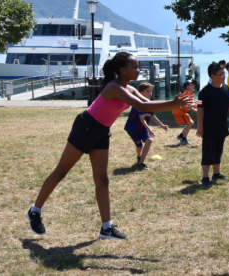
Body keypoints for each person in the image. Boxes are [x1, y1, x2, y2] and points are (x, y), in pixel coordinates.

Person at [25, 52, 193, 239]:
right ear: (122, 70)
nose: (138, 71)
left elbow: (149, 103)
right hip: (86, 127)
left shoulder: (129, 88)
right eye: (134, 67)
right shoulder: (114, 88)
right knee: (61, 171)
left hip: (102, 131)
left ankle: (106, 228)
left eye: (138, 67)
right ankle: (35, 210)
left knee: (102, 180)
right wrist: (175, 103)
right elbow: (142, 108)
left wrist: (182, 105)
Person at [197, 61, 229, 187]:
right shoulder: (205, 91)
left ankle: (216, 173)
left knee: (218, 150)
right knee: (208, 151)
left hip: (222, 125)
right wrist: (200, 127)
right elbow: (200, 109)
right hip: (209, 126)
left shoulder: (225, 88)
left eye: (224, 74)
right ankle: (205, 177)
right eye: (221, 74)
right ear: (212, 76)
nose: (224, 76)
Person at [125, 82, 169, 170]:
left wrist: (162, 125)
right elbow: (142, 119)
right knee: (139, 146)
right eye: (147, 91)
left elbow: (152, 115)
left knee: (149, 140)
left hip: (142, 128)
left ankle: (141, 163)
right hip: (132, 129)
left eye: (151, 91)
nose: (150, 93)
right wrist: (149, 129)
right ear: (141, 93)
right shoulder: (138, 104)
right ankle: (139, 157)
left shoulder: (149, 103)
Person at [172, 81, 197, 145]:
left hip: (180, 111)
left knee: (191, 123)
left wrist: (198, 109)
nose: (194, 85)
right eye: (192, 84)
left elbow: (191, 105)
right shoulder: (188, 93)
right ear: (187, 87)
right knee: (190, 123)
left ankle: (180, 136)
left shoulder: (189, 93)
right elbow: (187, 105)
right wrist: (197, 109)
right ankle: (183, 139)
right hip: (179, 111)